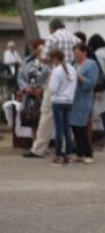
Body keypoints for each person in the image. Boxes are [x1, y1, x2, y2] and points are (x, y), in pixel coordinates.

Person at [22, 19, 79, 159]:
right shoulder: (75, 38)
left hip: (56, 77)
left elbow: (44, 59)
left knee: (47, 115)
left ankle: (38, 149)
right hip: (71, 78)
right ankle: (69, 148)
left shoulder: (52, 38)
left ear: (51, 28)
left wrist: (42, 58)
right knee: (68, 117)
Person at [70, 42, 99, 163]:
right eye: (74, 53)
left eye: (78, 52)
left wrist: (79, 78)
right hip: (72, 98)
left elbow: (91, 83)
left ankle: (88, 152)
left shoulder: (91, 65)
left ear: (84, 52)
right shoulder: (72, 64)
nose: (76, 55)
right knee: (74, 126)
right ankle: (79, 152)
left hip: (84, 99)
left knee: (82, 126)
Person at [17, 39, 49, 141]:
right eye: (38, 49)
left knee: (44, 120)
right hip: (30, 93)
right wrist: (26, 88)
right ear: (34, 50)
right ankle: (35, 142)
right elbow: (20, 77)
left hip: (43, 93)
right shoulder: (27, 61)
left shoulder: (48, 62)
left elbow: (51, 78)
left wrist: (43, 89)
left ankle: (43, 144)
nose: (41, 51)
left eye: (43, 49)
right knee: (32, 117)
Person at [49, 49, 77, 165]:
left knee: (59, 129)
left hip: (58, 101)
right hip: (69, 101)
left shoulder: (56, 71)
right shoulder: (72, 69)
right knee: (67, 129)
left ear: (55, 58)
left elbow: (53, 88)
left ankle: (59, 155)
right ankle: (69, 154)